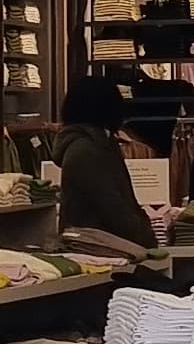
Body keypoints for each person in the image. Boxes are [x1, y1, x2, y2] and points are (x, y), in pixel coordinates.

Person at [53, 72, 161, 252]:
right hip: (97, 246)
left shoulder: (102, 144)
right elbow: (111, 205)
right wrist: (144, 237)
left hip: (106, 244)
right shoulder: (87, 150)